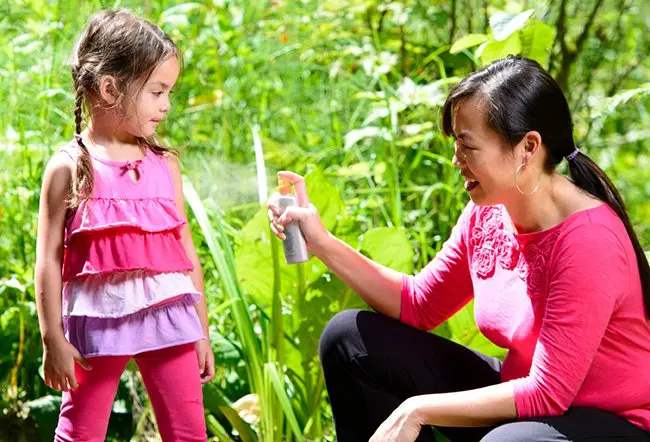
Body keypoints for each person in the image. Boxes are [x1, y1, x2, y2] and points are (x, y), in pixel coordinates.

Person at [267, 56, 650, 441]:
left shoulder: (589, 239)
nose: (456, 160)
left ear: (528, 147)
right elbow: (419, 305)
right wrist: (322, 243)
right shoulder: (488, 214)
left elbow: (548, 393)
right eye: (455, 144)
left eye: (467, 145)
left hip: (611, 423)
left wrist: (418, 409)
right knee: (348, 339)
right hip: (526, 401)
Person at [34, 10, 213, 442]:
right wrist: (51, 338)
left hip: (170, 316)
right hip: (98, 320)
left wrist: (202, 331)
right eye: (157, 91)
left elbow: (184, 247)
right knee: (80, 432)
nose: (166, 104)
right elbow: (48, 259)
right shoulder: (68, 167)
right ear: (111, 89)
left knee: (188, 432)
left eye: (168, 91)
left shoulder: (164, 164)